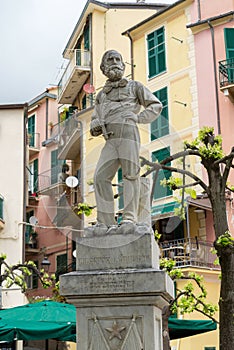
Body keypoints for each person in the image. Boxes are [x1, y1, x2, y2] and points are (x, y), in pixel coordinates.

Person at [88, 50, 162, 235]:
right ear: (104, 68)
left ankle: (130, 218)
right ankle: (105, 222)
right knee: (100, 177)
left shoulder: (135, 86)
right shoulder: (101, 96)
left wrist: (138, 117)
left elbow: (156, 105)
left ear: (123, 64)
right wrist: (95, 125)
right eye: (110, 60)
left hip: (128, 133)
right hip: (110, 139)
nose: (114, 62)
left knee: (130, 175)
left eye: (117, 59)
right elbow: (94, 121)